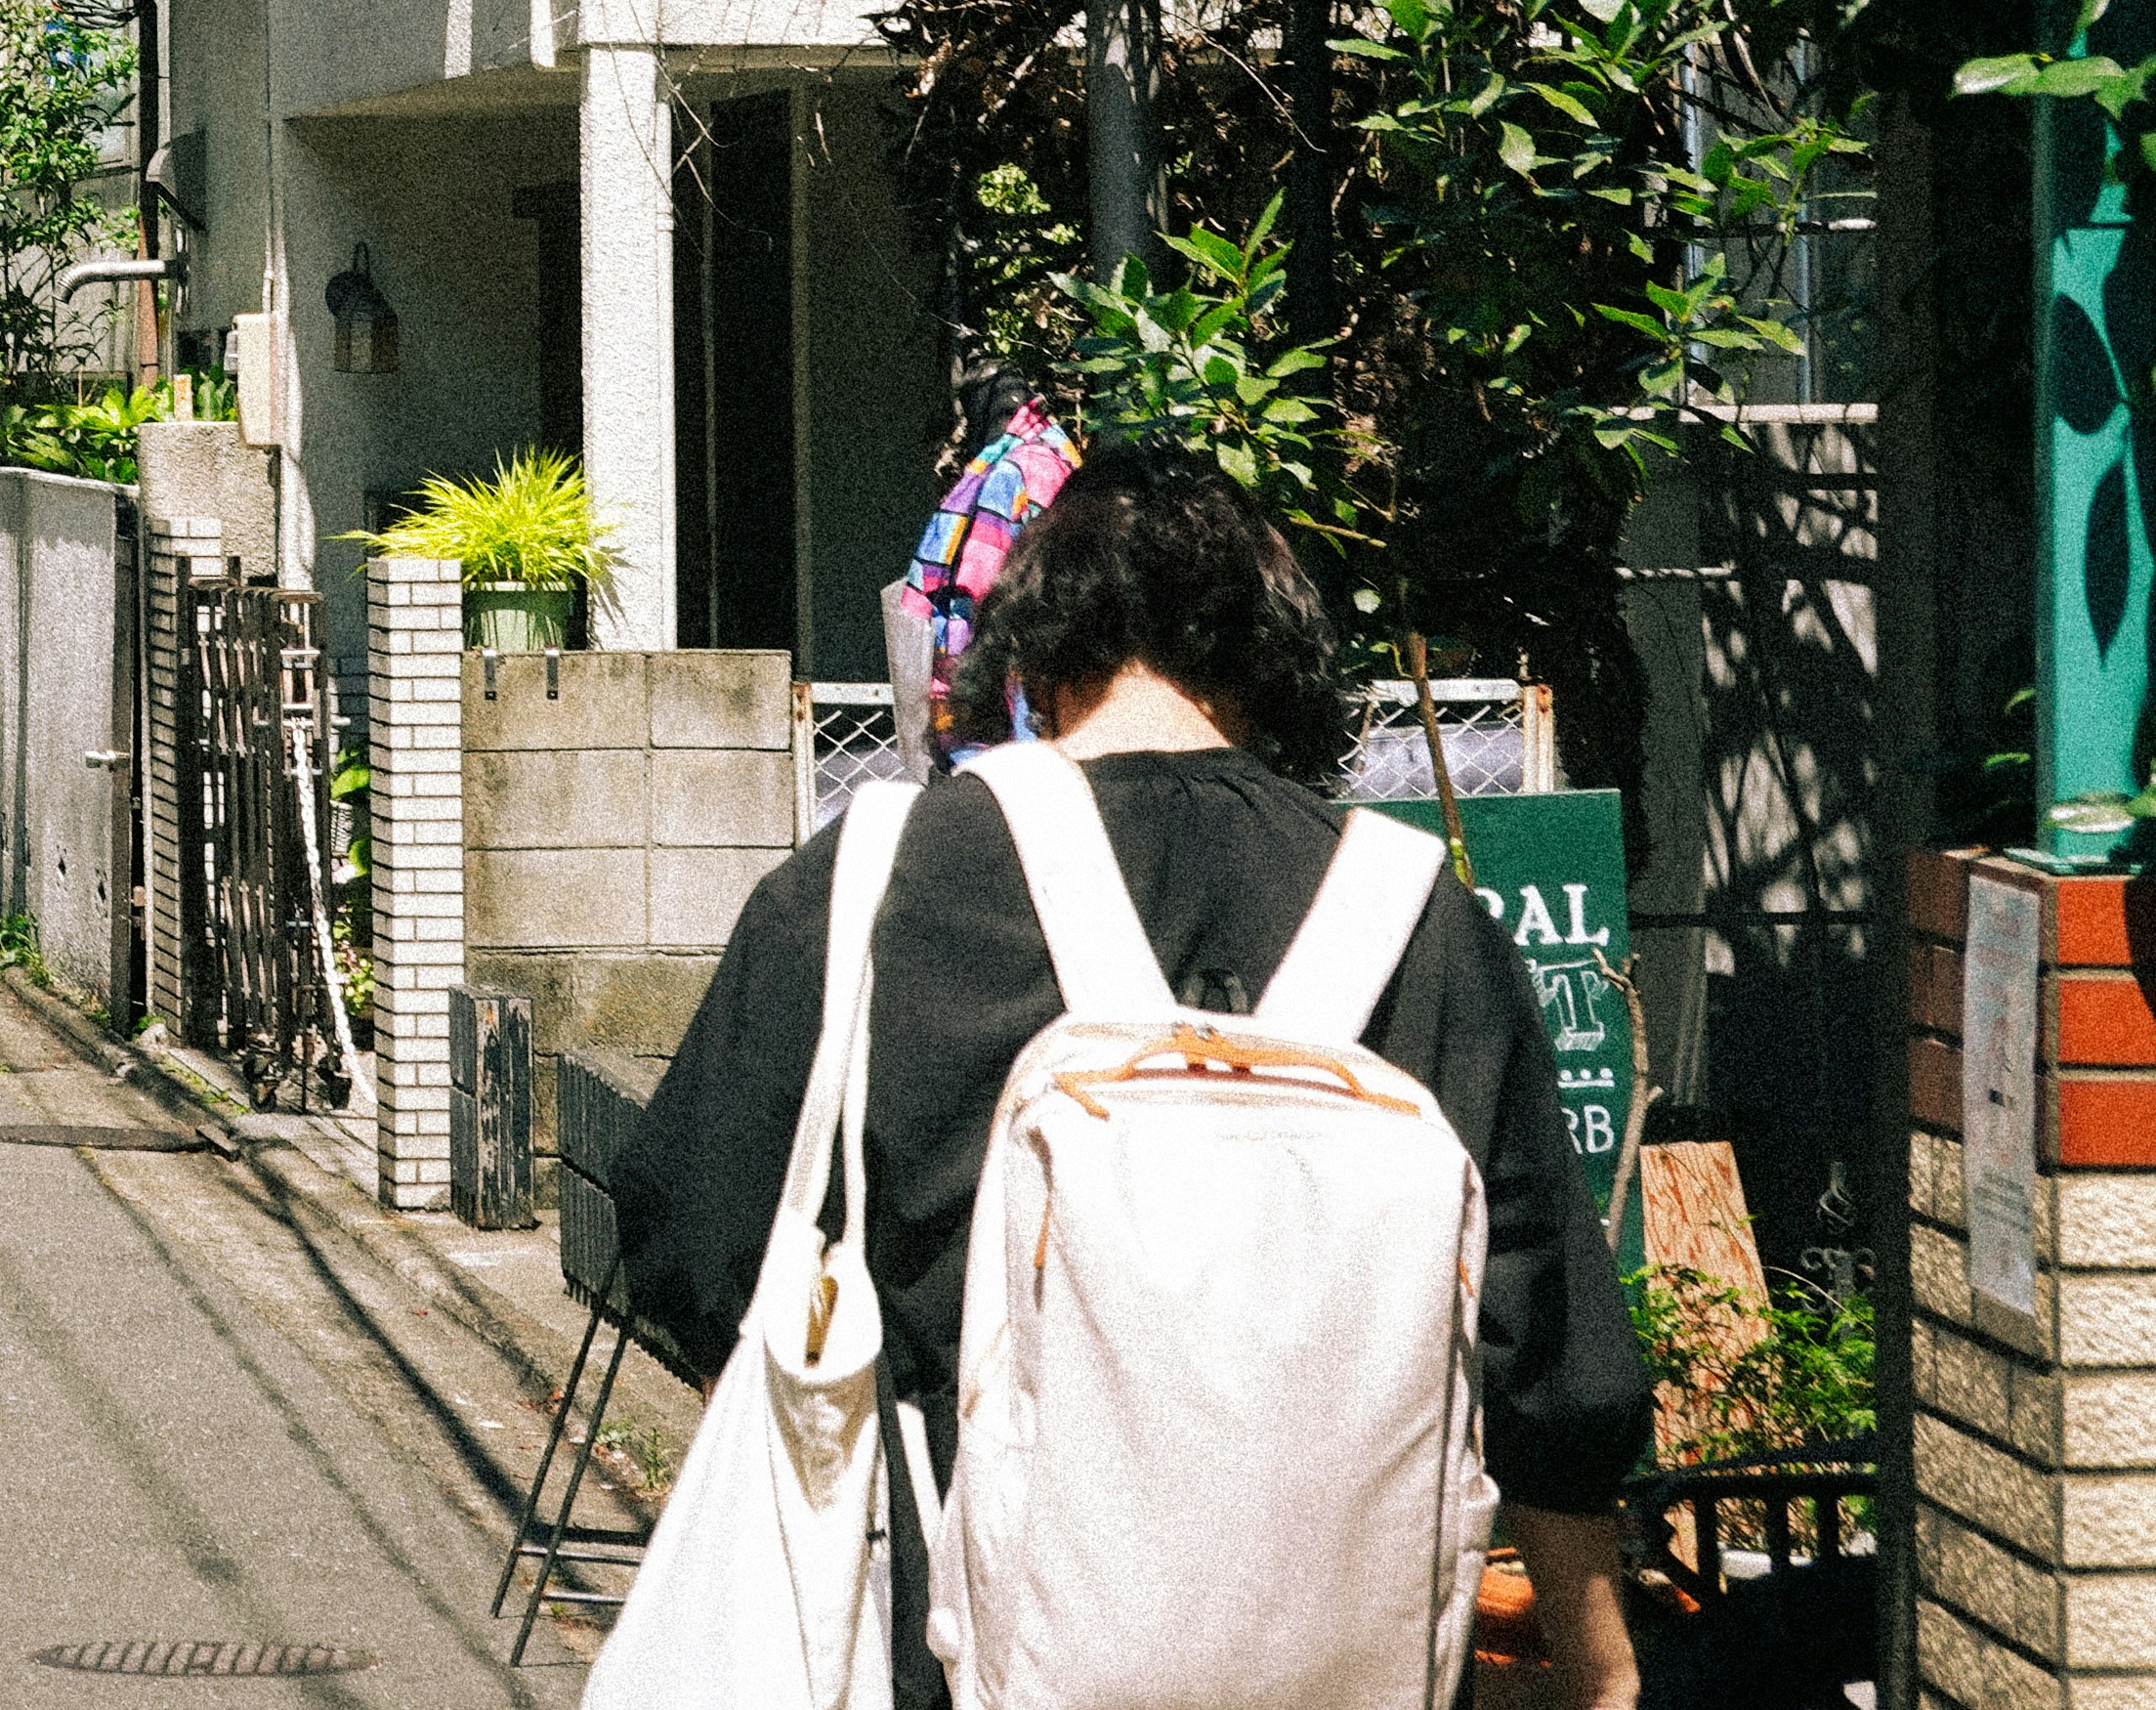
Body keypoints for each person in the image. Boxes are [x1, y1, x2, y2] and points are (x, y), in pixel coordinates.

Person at [605, 445, 1649, 1710]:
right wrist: (1606, 1678)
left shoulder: (871, 887)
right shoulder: (1421, 923)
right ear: (1273, 665)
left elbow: (688, 1240)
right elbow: (1552, 1375)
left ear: (1032, 659)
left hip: (957, 1665)